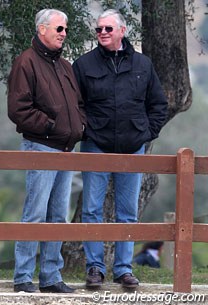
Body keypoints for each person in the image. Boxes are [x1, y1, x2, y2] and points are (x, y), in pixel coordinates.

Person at [72, 9, 168, 289]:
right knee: (91, 209)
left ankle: (124, 269)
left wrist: (145, 134)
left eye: (108, 29)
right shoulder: (83, 64)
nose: (102, 33)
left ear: (122, 31)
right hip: (95, 146)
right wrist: (86, 132)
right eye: (99, 29)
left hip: (132, 148)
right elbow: (74, 105)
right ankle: (94, 267)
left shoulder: (143, 65)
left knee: (127, 210)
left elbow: (158, 104)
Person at [7, 8, 86, 293]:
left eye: (65, 29)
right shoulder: (25, 62)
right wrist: (51, 126)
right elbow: (18, 109)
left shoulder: (65, 66)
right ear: (42, 29)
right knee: (35, 214)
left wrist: (80, 126)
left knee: (57, 217)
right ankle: (23, 277)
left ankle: (51, 277)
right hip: (40, 146)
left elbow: (77, 104)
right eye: (59, 29)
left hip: (66, 149)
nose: (64, 34)